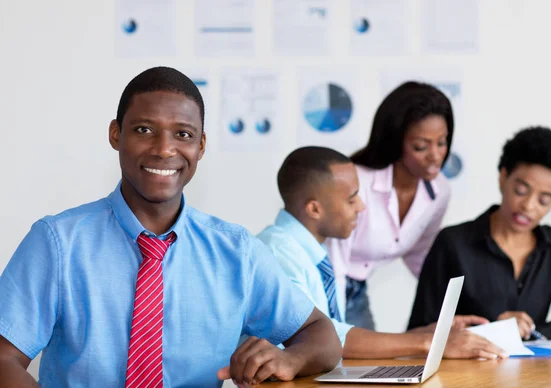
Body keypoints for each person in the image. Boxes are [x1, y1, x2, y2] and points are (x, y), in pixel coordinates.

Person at [0, 67, 342, 388]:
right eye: (144, 130)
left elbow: (320, 333)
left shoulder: (237, 251)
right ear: (116, 134)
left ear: (201, 146)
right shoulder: (56, 242)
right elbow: (5, 358)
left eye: (183, 134)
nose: (164, 149)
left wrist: (290, 358)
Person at [258, 146, 508, 360]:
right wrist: (431, 343)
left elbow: (336, 335)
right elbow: (319, 338)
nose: (362, 206)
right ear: (314, 209)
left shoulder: (311, 251)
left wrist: (424, 335)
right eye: (352, 199)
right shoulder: (278, 254)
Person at [408, 127, 551, 340]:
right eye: (521, 191)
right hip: (467, 371)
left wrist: (529, 333)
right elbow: (420, 329)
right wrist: (496, 332)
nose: (529, 206)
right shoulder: (453, 243)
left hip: (535, 372)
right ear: (503, 177)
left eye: (545, 200)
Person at [326, 81, 454, 330]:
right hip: (321, 288)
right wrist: (332, 330)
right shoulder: (357, 182)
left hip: (356, 290)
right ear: (395, 141)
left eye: (442, 142)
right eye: (421, 146)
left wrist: (450, 305)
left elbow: (420, 254)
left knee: (369, 365)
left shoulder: (439, 190)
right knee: (349, 361)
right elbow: (334, 266)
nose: (435, 156)